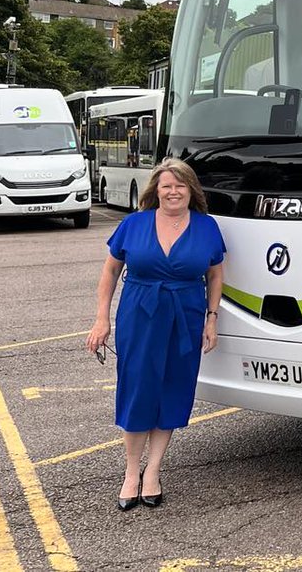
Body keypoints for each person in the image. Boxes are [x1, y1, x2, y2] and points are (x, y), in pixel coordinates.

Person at [85, 158, 225, 511]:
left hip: (186, 317)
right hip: (139, 315)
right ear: (156, 190)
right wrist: (102, 319)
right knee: (137, 389)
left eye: (180, 186)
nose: (173, 192)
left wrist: (212, 319)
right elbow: (110, 273)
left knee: (173, 389)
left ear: (191, 190)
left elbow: (215, 275)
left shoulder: (207, 227)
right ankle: (131, 472)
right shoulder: (134, 223)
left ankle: (154, 471)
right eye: (166, 186)